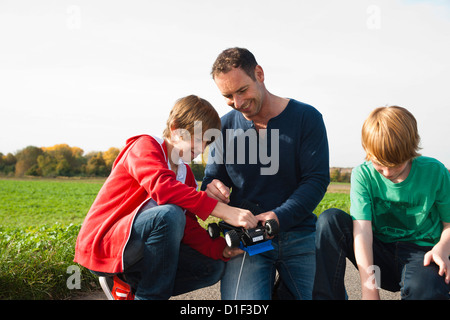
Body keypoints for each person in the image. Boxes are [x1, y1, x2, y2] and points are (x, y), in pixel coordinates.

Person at [74, 95, 258, 300]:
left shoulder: (185, 174)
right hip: (106, 245)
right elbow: (163, 188)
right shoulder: (144, 146)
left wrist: (220, 249)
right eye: (198, 139)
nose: (201, 148)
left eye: (206, 143)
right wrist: (221, 209)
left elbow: (186, 226)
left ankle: (131, 288)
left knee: (212, 268)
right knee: (169, 214)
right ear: (175, 128)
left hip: (140, 256)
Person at [201, 47, 330, 300]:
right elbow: (211, 178)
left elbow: (316, 180)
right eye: (227, 95)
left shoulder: (307, 118)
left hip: (299, 233)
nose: (237, 103)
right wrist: (212, 187)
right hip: (248, 241)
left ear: (259, 74)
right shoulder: (223, 126)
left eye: (241, 90)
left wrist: (279, 217)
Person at [313, 106, 450, 300]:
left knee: (425, 289)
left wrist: (442, 249)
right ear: (368, 152)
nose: (387, 173)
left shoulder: (435, 172)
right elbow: (362, 232)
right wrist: (370, 289)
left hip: (421, 253)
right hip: (378, 253)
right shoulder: (363, 174)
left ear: (410, 151)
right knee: (329, 220)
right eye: (379, 165)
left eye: (395, 165)